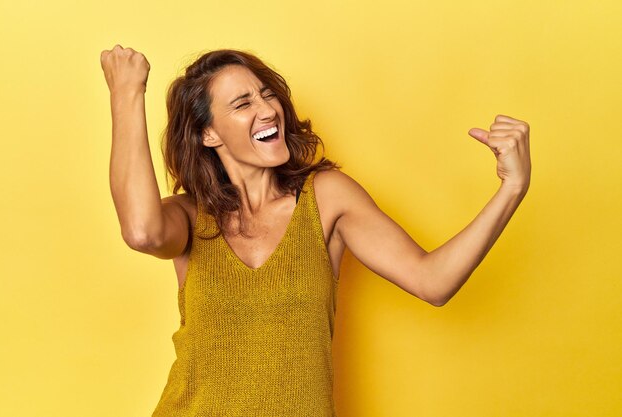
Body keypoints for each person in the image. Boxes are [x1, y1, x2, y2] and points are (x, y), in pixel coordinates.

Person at [100, 44, 531, 416]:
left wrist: (511, 188)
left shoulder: (326, 197)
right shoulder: (189, 216)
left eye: (267, 95)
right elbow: (141, 231)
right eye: (242, 103)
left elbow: (433, 282)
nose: (267, 109)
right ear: (209, 134)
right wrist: (126, 94)